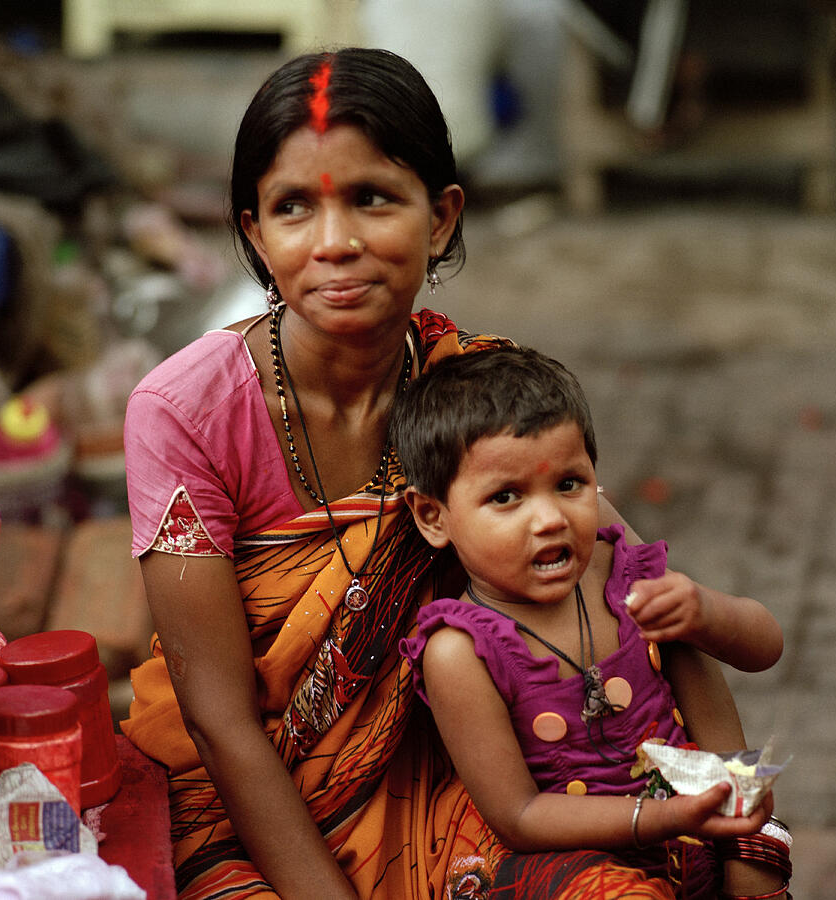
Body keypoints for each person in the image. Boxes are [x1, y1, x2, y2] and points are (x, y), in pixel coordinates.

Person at [122, 47, 782, 900]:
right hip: (250, 806)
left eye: (371, 199)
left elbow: (642, 597)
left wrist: (747, 834)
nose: (335, 243)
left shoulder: (474, 393)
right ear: (254, 231)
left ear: (439, 218)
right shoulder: (184, 413)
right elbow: (219, 723)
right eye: (293, 208)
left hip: (459, 775)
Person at [394, 346, 791, 899]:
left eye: (569, 484)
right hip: (575, 866)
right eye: (505, 497)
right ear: (434, 517)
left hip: (704, 820)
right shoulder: (460, 651)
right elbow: (520, 817)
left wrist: (703, 610)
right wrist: (664, 818)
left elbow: (765, 647)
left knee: (761, 855)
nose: (551, 518)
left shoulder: (617, 571)